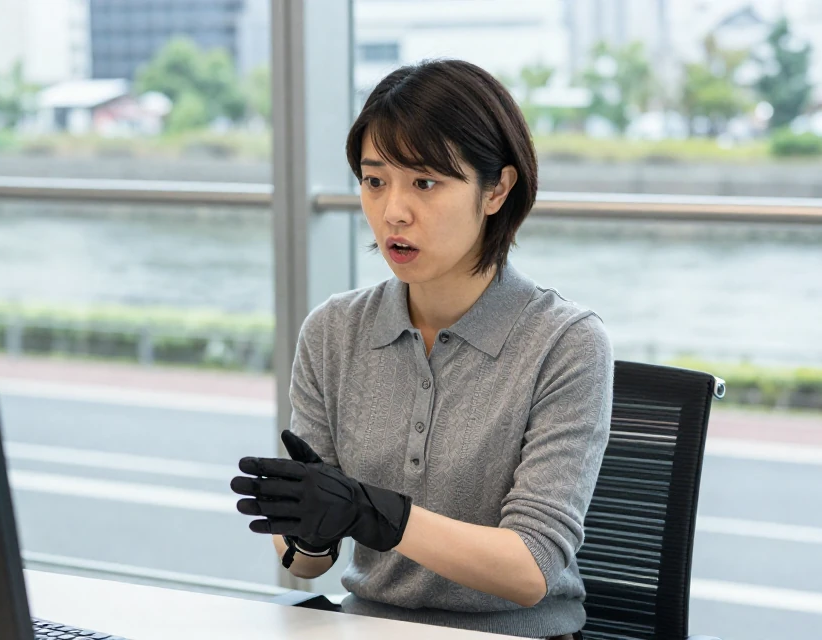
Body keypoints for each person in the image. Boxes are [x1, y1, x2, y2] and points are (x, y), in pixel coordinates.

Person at [230, 59, 613, 640]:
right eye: (374, 181)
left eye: (425, 183)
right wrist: (307, 528)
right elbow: (306, 566)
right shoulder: (333, 332)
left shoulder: (565, 343)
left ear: (497, 189)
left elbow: (530, 567)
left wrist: (374, 512)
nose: (393, 211)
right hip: (366, 630)